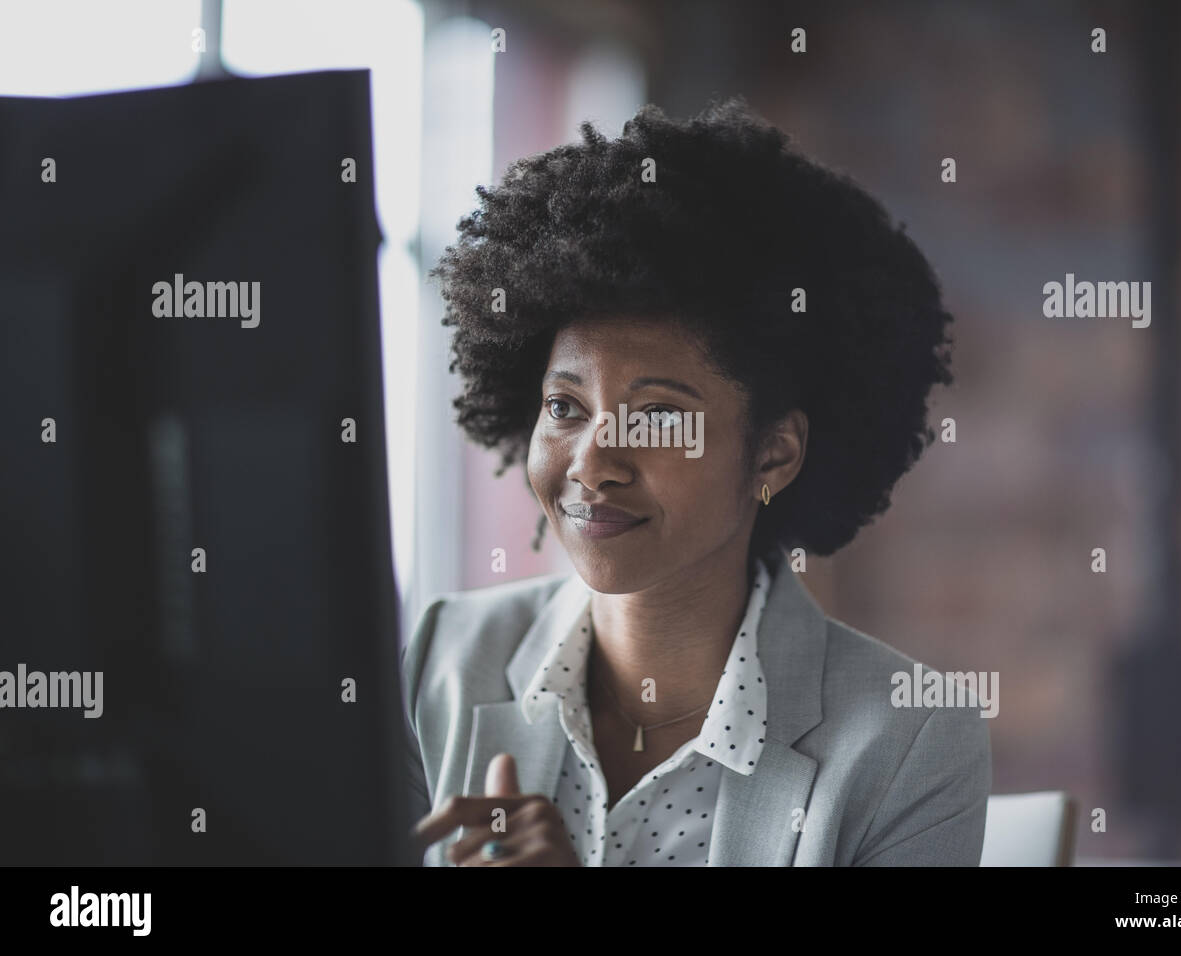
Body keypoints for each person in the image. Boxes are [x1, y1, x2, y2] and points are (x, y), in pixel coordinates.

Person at [403, 96, 990, 866]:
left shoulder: (908, 741)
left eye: (655, 417)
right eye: (564, 406)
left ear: (774, 454)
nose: (590, 463)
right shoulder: (440, 662)